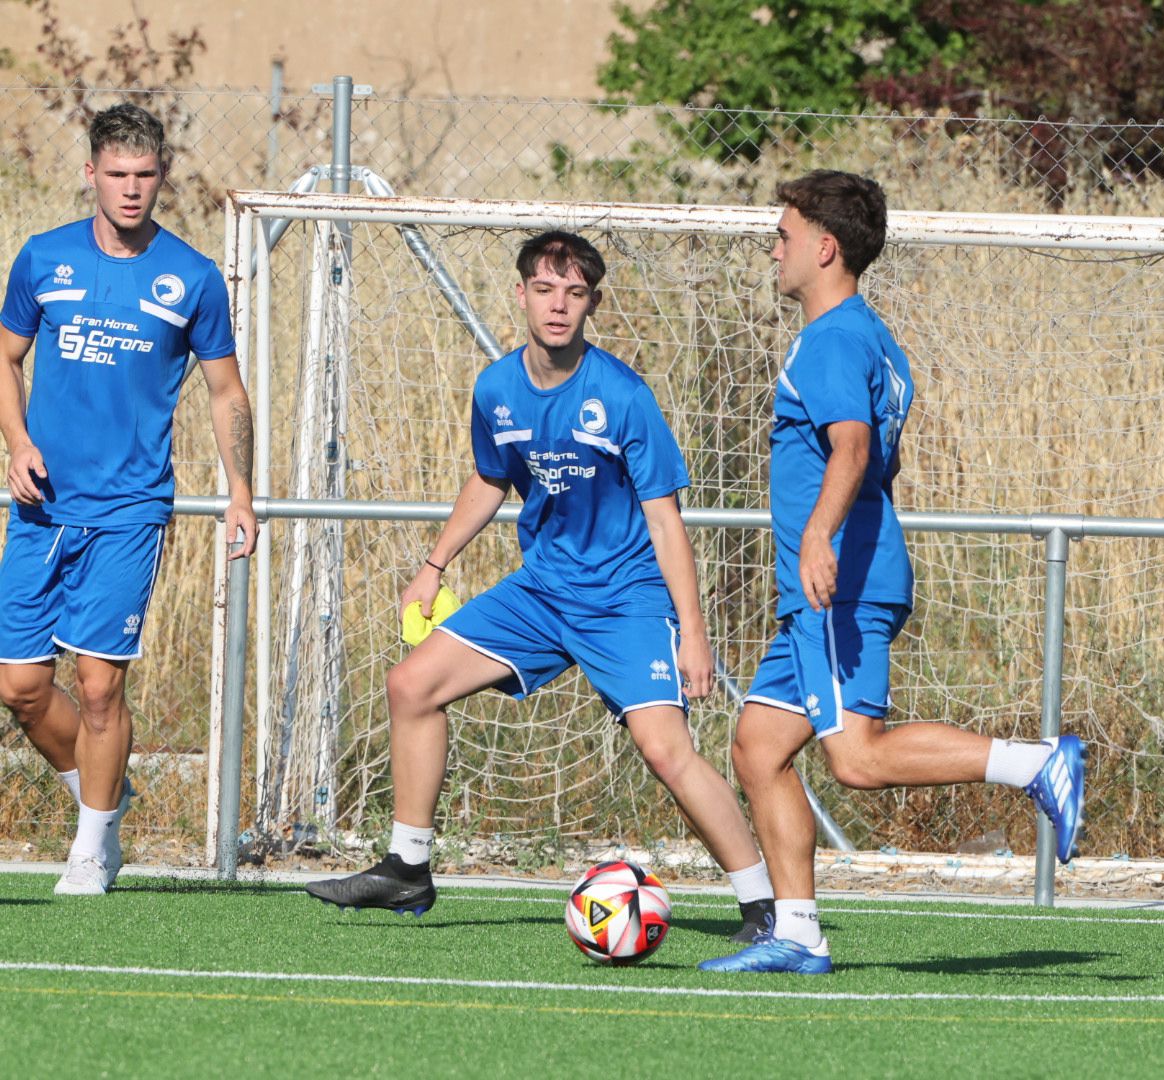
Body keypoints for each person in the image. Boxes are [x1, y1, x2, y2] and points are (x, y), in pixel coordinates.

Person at [306, 231, 775, 941]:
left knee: (665, 751)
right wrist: (432, 569)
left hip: (625, 599)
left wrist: (695, 634)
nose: (559, 306)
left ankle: (764, 906)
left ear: (592, 303)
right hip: (543, 591)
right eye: (546, 289)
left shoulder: (622, 395)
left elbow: (667, 523)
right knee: (411, 686)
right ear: (522, 293)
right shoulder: (496, 387)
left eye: (576, 293)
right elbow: (491, 478)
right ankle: (407, 868)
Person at [699, 171, 1087, 974]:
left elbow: (854, 449)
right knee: (759, 746)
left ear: (824, 246)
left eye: (784, 235)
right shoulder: (871, 337)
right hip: (838, 579)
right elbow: (880, 459)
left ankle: (1035, 762)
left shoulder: (836, 337)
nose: (775, 249)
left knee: (858, 758)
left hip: (837, 583)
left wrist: (817, 540)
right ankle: (798, 932)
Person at [0, 103, 257, 896]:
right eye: (117, 174)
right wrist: (17, 444)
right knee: (19, 687)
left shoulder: (193, 277)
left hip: (130, 510)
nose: (131, 188)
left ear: (163, 177)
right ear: (91, 175)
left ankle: (90, 848)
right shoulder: (43, 259)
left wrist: (241, 490)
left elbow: (225, 393)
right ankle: (103, 797)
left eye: (145, 175)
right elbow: (5, 358)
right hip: (42, 505)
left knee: (103, 684)